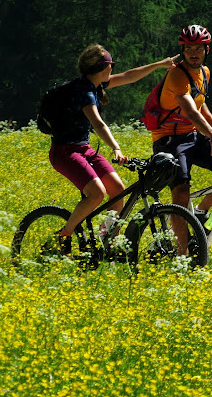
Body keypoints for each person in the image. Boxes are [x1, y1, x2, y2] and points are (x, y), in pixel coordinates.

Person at [50, 44, 179, 253]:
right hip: (65, 152)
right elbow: (98, 123)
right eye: (111, 65)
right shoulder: (84, 92)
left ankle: (106, 240)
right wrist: (116, 148)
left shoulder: (96, 84)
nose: (113, 69)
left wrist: (160, 65)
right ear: (102, 67)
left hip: (83, 149)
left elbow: (129, 76)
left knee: (117, 190)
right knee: (97, 193)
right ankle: (64, 234)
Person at [151, 25, 212, 233]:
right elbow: (191, 111)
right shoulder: (176, 75)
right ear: (183, 51)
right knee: (182, 192)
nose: (194, 53)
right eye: (189, 48)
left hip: (191, 136)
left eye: (199, 49)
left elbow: (200, 102)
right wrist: (211, 134)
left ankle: (200, 212)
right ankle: (182, 254)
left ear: (206, 51)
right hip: (169, 140)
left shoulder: (205, 72)